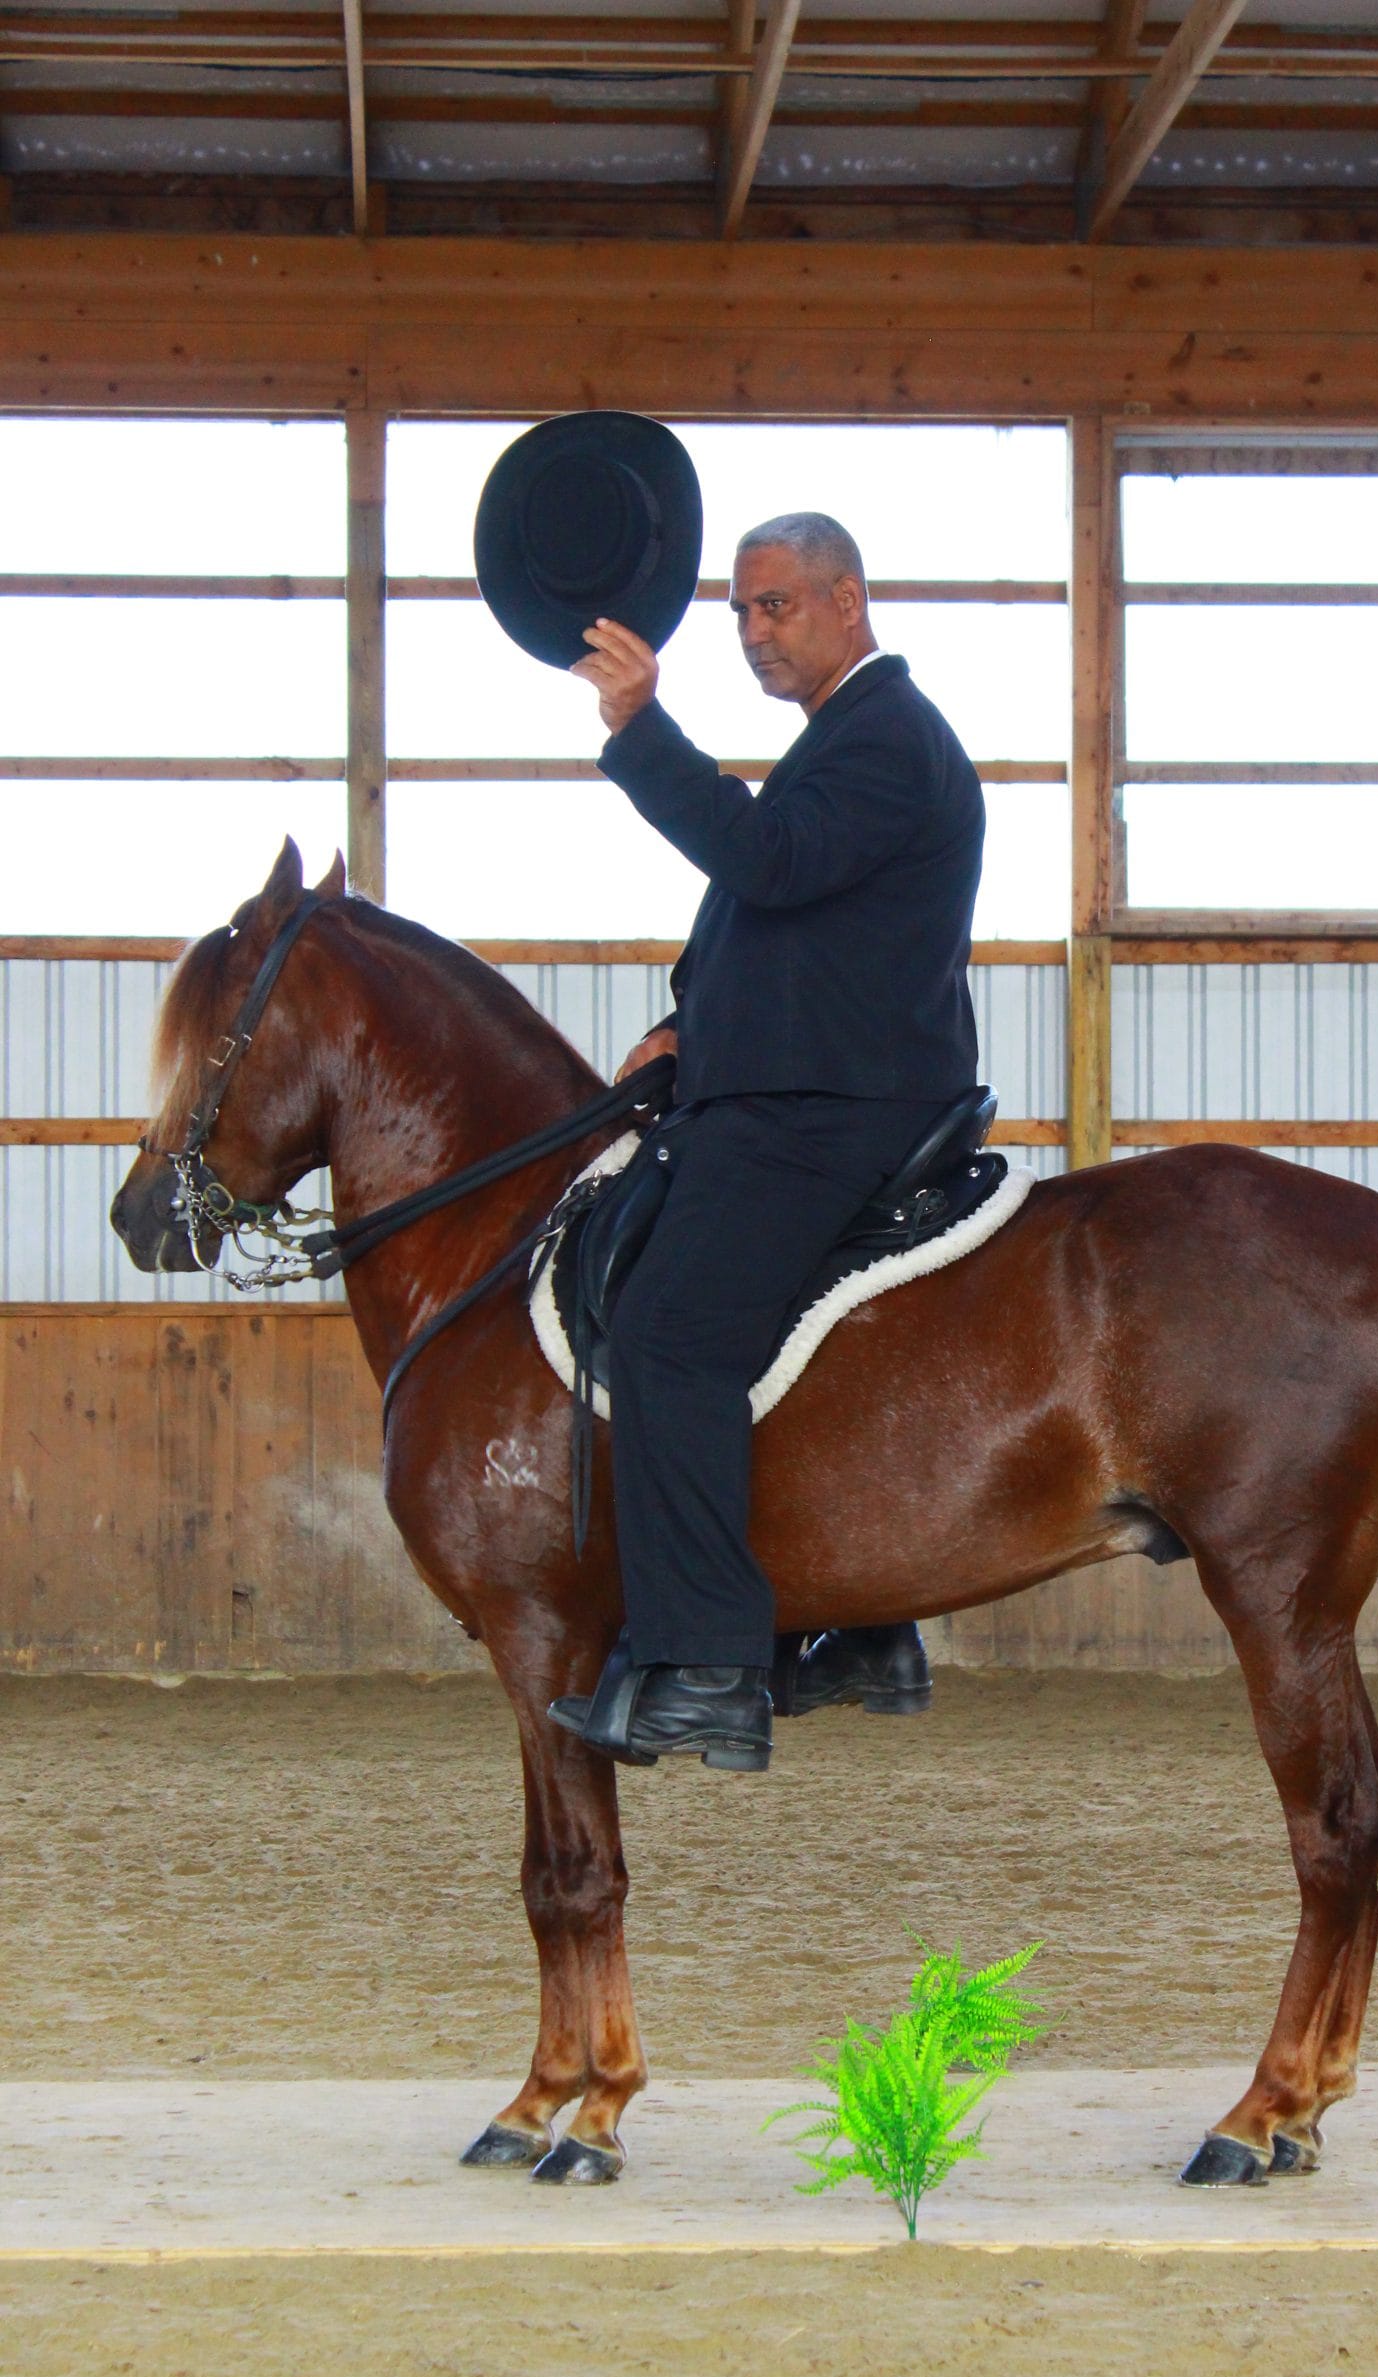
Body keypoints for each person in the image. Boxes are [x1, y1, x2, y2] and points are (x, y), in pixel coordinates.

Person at [557, 511, 983, 1770]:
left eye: (775, 606)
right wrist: (694, 1025)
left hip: (827, 1107)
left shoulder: (889, 739)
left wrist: (639, 729)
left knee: (670, 1337)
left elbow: (768, 862)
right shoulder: (848, 739)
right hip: (795, 1082)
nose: (750, 634)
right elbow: (793, 928)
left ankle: (707, 1668)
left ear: (849, 599)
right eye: (739, 612)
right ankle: (858, 1625)